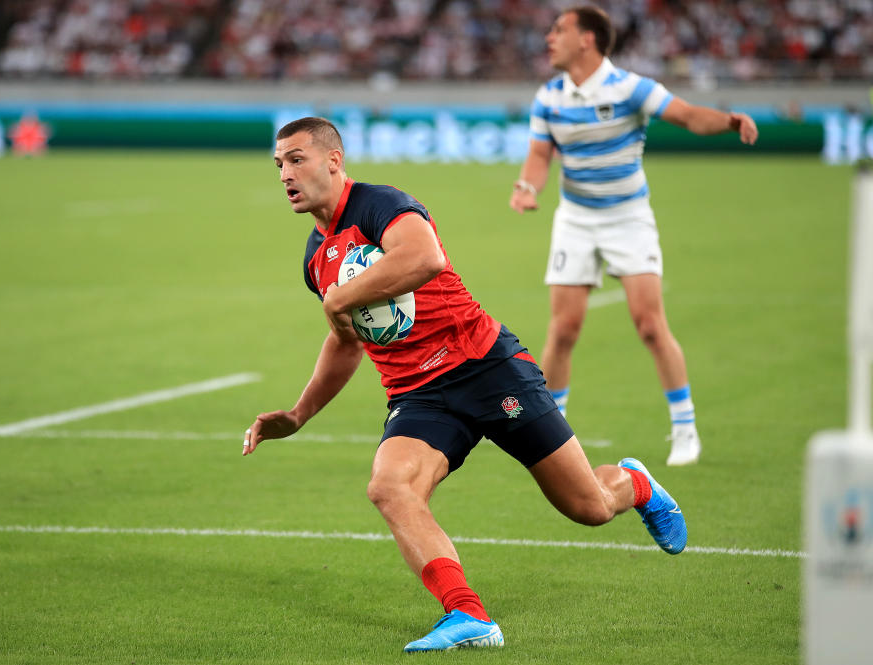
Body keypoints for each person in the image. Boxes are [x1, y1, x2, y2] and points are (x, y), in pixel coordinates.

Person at [244, 116, 687, 652]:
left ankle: (635, 483)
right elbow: (346, 342)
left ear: (333, 161)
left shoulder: (379, 204)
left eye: (296, 159)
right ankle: (468, 614)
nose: (285, 174)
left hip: (486, 367)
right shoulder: (317, 259)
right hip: (419, 396)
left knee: (588, 508)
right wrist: (297, 414)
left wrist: (343, 296)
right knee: (390, 487)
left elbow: (425, 257)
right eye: (279, 165)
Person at [509, 5, 758, 466]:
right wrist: (527, 187)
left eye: (559, 30)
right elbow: (540, 155)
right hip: (576, 219)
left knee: (649, 324)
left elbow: (685, 115)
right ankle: (554, 433)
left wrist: (727, 120)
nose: (548, 38)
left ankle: (685, 428)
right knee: (563, 329)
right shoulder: (548, 97)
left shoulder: (630, 88)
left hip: (628, 217)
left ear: (587, 39)